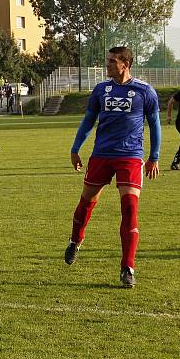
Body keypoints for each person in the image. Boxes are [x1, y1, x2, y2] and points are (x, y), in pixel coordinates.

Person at [65, 46, 160, 288]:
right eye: (107, 61)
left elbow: (155, 123)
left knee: (130, 207)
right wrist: (76, 148)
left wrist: (154, 156)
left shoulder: (144, 91)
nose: (107, 65)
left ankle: (127, 268)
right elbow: (88, 120)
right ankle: (76, 241)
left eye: (111, 61)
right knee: (86, 203)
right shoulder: (101, 90)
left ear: (125, 63)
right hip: (101, 155)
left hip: (130, 155)